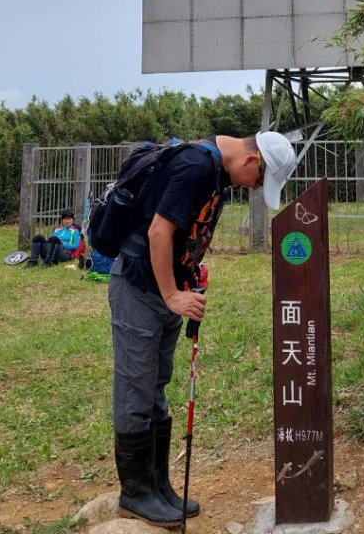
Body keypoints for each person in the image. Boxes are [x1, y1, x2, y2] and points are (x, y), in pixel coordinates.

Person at [109, 131, 296, 528]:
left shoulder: (215, 176)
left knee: (156, 385)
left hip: (165, 288)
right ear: (251, 161)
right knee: (136, 387)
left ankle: (158, 486)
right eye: (260, 181)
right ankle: (135, 492)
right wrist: (173, 295)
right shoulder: (196, 166)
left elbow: (184, 235)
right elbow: (157, 232)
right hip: (141, 286)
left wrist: (187, 280)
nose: (255, 188)